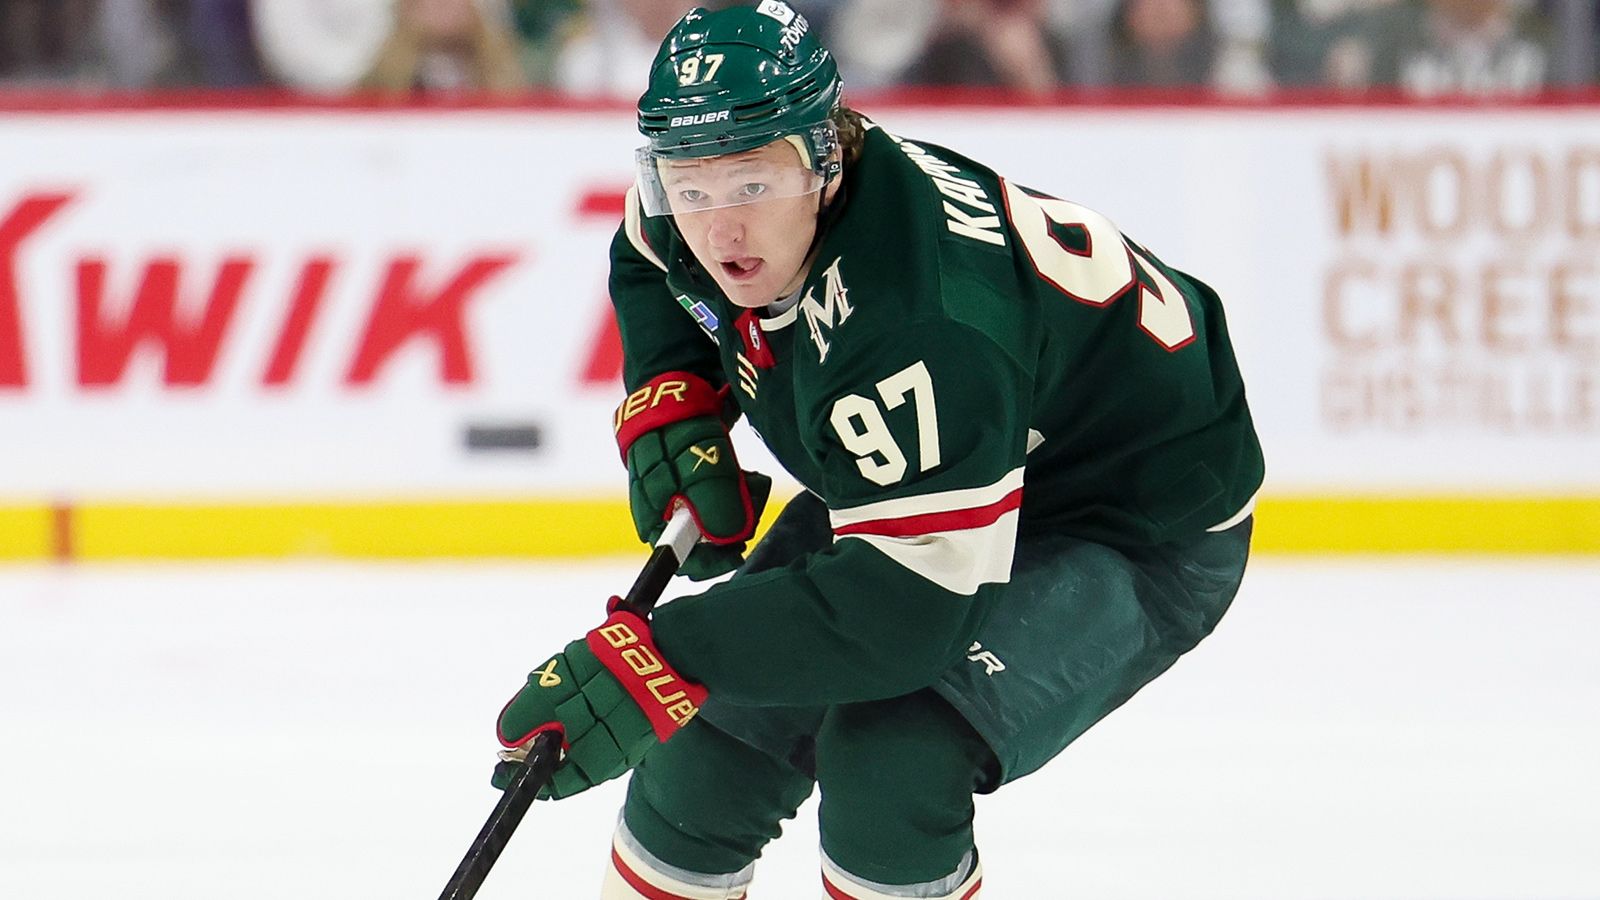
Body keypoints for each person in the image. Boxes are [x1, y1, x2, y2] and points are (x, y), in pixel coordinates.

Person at [491, 2, 1264, 897]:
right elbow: (650, 259)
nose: (720, 230)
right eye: (690, 189)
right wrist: (677, 408)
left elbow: (907, 612)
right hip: (955, 455)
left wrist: (662, 655)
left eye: (752, 185)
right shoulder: (708, 198)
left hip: (1127, 516)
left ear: (826, 158)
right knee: (708, 753)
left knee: (893, 767)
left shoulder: (919, 324)